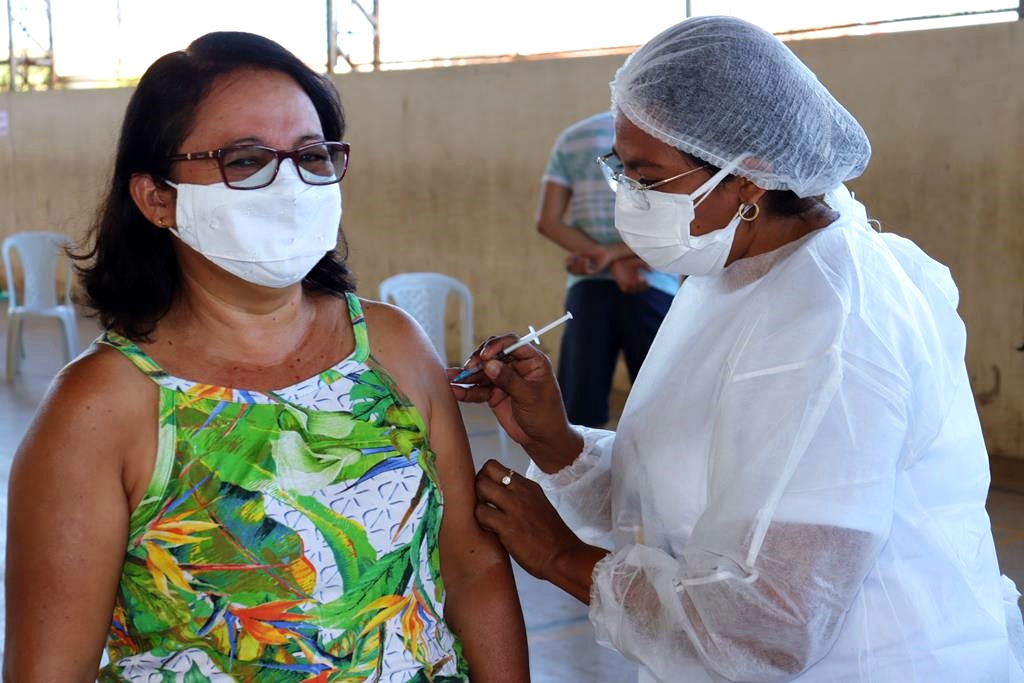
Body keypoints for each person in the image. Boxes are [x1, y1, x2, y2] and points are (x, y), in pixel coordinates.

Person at [452, 16, 1024, 682]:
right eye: (620, 168)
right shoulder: (735, 270)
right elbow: (687, 503)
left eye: (645, 176)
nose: (625, 198)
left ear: (748, 175)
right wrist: (559, 445)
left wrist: (558, 557)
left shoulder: (833, 330)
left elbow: (768, 625)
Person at [4, 32, 529, 681]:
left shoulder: (393, 349)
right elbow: (50, 669)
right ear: (157, 197)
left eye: (311, 156)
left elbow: (472, 568)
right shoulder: (101, 406)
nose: (289, 185)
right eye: (246, 160)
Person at [537, 111, 679, 427]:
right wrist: (620, 259)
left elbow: (548, 221)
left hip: (587, 280)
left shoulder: (573, 137)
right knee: (665, 405)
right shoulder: (665, 134)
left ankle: (582, 476)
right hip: (653, 278)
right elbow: (681, 218)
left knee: (579, 415)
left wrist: (604, 257)